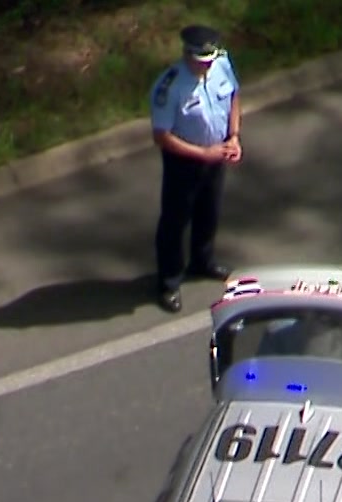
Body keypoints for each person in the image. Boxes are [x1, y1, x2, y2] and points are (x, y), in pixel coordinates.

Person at [149, 25, 242, 314]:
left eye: (209, 61)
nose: (206, 66)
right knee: (175, 221)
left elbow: (234, 97)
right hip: (185, 161)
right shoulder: (169, 87)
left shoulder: (222, 64)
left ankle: (202, 261)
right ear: (186, 54)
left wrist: (234, 136)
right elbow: (162, 136)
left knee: (209, 211)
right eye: (200, 62)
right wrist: (203, 153)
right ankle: (169, 280)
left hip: (216, 154)